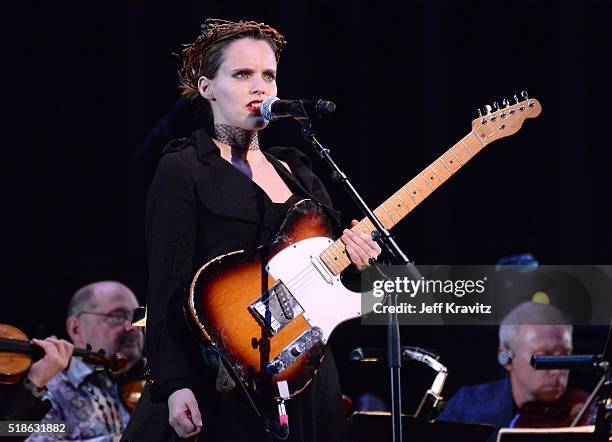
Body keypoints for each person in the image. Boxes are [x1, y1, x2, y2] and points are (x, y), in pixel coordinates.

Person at [123, 18, 381, 442]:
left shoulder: (298, 172)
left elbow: (332, 282)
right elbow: (167, 286)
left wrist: (357, 262)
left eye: (268, 76)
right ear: (207, 87)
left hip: (304, 371)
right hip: (220, 371)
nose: (259, 88)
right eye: (242, 75)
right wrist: (173, 384)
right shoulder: (184, 168)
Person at [438, 301, 592, 441]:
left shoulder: (588, 410)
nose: (557, 370)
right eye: (543, 356)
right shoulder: (468, 407)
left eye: (565, 355)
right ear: (506, 357)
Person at [26, 281, 144, 442]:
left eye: (137, 316)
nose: (132, 327)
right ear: (76, 329)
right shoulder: (45, 391)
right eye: (117, 316)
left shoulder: (150, 381)